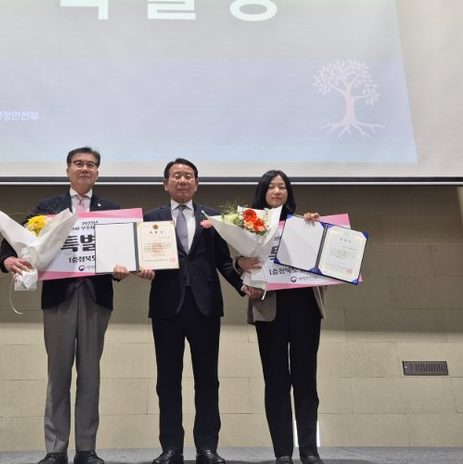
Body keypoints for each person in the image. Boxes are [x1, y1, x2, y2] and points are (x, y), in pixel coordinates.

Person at [0, 147, 128, 464]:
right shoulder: (49, 206)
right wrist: (8, 260)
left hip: (96, 297)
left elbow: (124, 251)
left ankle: (86, 449)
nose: (85, 169)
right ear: (68, 169)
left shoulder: (111, 209)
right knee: (58, 375)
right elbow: (14, 238)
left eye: (91, 165)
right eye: (78, 164)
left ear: (97, 173)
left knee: (90, 375)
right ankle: (56, 449)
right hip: (59, 297)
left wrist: (124, 267)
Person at [139, 158, 245, 464]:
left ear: (196, 184)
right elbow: (141, 258)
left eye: (188, 176)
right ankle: (171, 448)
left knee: (208, 380)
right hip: (167, 307)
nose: (182, 180)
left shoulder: (213, 217)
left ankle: (207, 448)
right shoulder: (151, 218)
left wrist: (243, 286)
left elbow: (223, 261)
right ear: (165, 184)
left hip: (205, 306)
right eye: (176, 176)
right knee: (167, 381)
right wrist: (140, 269)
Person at [237, 170, 326, 464]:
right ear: (262, 192)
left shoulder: (305, 224)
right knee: (276, 381)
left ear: (289, 192)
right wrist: (240, 263)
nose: (277, 191)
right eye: (272, 186)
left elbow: (324, 258)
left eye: (282, 186)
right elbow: (241, 262)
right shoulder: (250, 225)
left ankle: (309, 450)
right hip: (269, 308)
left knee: (305, 379)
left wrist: (317, 230)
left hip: (305, 306)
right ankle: (283, 452)